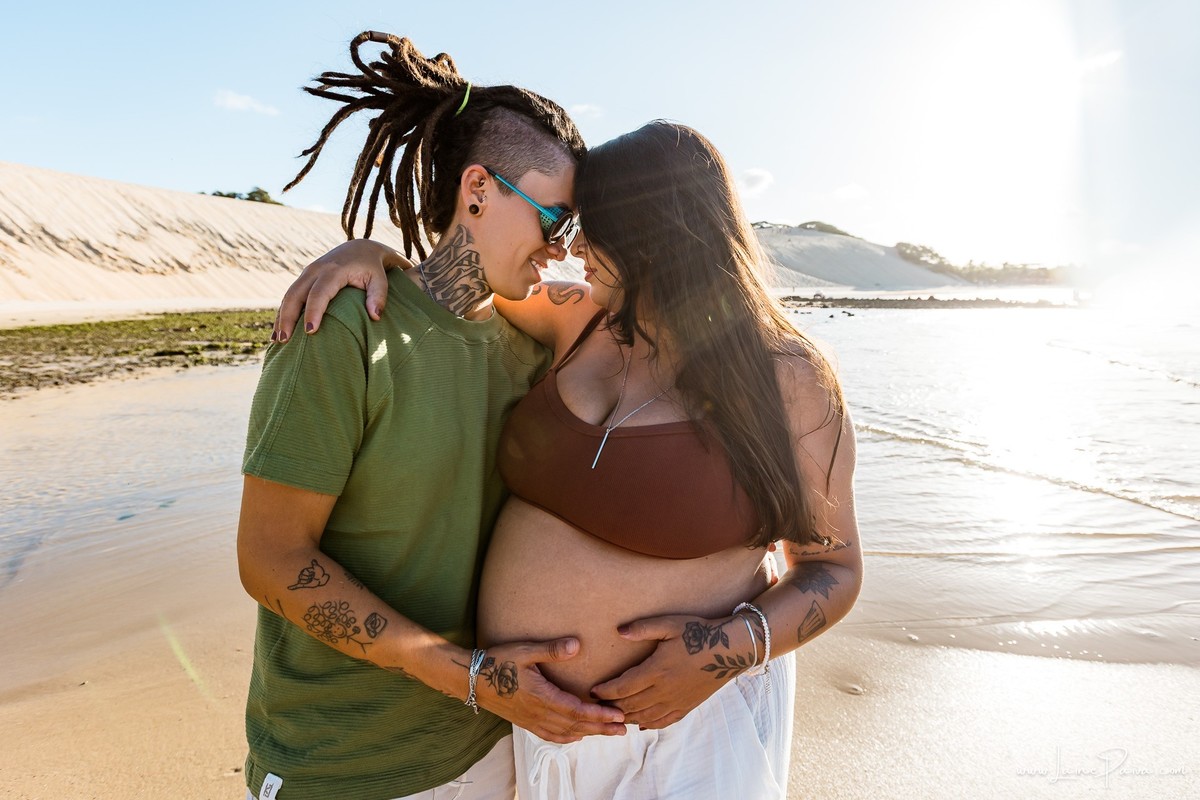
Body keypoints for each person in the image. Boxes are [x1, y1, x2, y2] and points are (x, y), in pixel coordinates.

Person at [282, 122, 863, 799]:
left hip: (695, 726)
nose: (572, 245)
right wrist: (367, 252)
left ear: (656, 229)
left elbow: (833, 569)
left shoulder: (788, 377)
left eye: (593, 225)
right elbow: (459, 277)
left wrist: (726, 653)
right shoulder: (575, 318)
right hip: (541, 731)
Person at [235, 32, 625, 800]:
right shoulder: (343, 330)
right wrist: (468, 677)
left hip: (496, 752)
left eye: (574, 230)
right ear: (477, 191)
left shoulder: (533, 344)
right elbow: (270, 559)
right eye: (555, 220)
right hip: (343, 767)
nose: (561, 250)